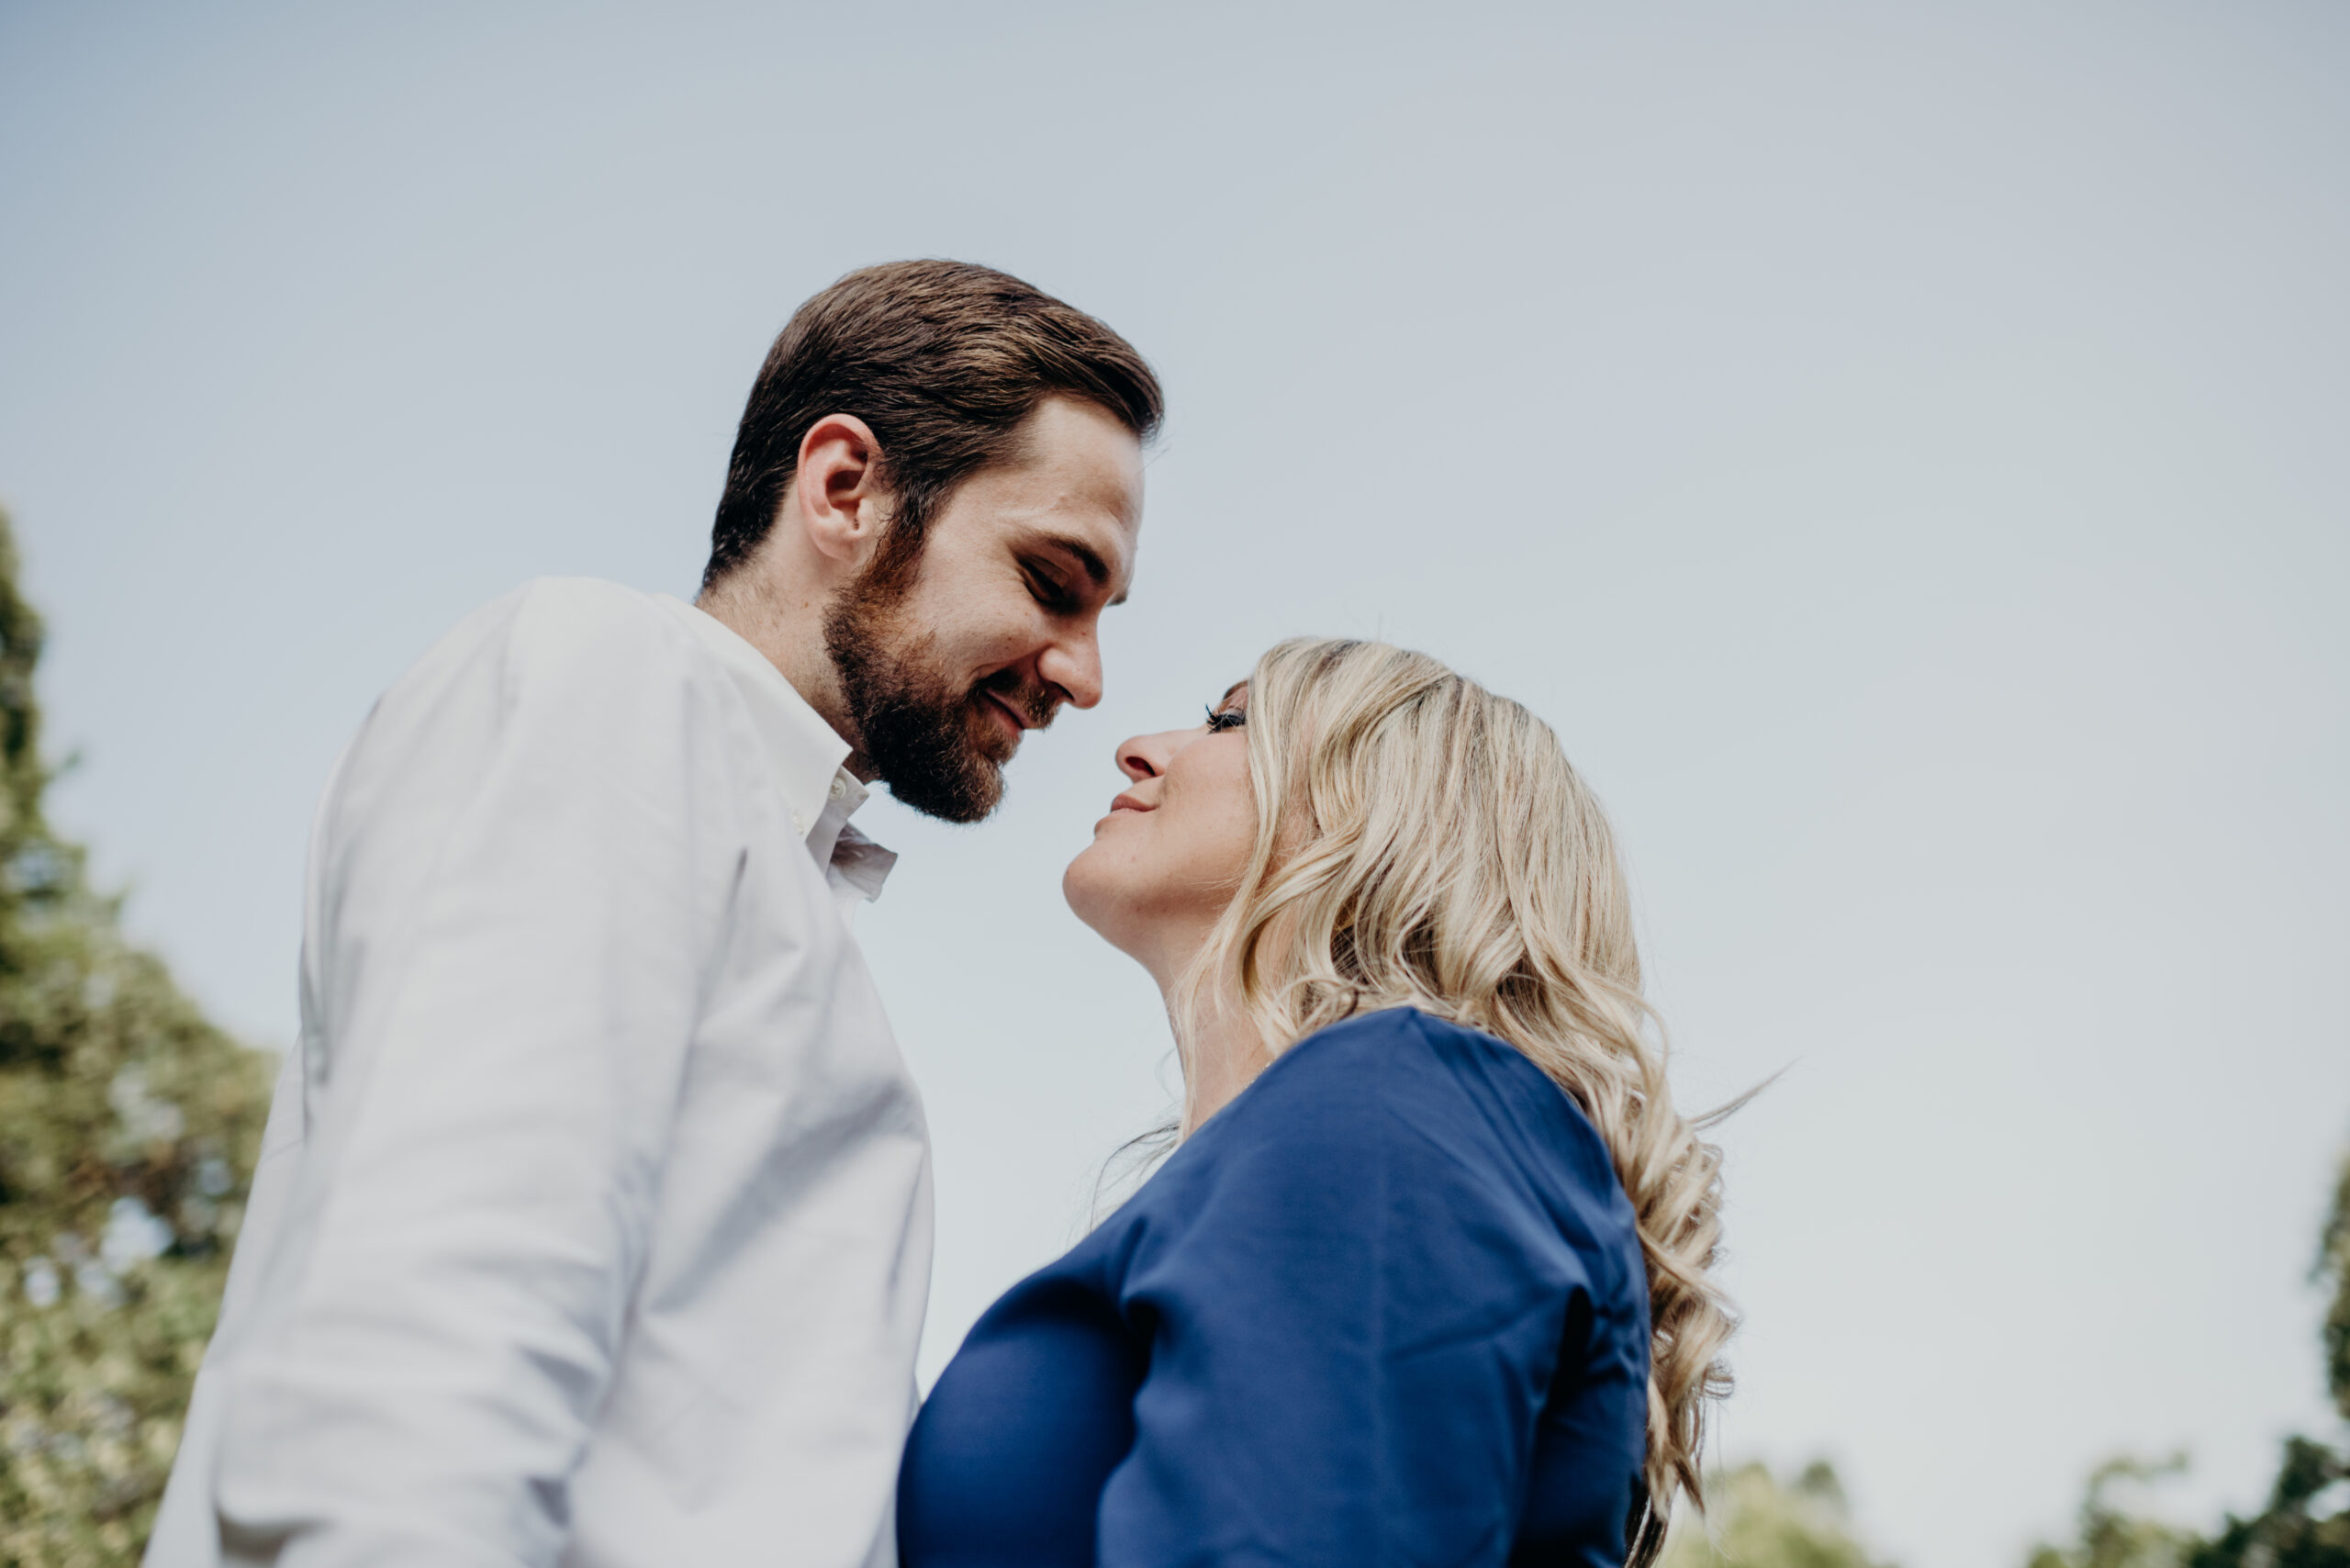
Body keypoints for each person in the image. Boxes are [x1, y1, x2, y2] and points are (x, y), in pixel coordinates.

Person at [144, 260, 1162, 1568]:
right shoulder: (610, 683)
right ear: (845, 488)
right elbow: (431, 1329)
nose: (1084, 674)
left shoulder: (752, 838)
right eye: (1051, 577)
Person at [898, 637, 1737, 1568]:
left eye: (1230, 720)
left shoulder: (1394, 1104)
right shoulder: (1357, 1136)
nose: (1136, 746)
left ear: (1378, 815)